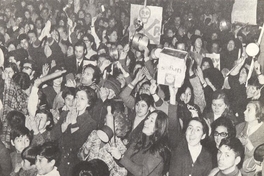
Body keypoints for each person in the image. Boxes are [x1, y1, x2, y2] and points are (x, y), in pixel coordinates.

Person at [50, 86, 97, 176]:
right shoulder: (64, 114)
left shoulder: (91, 123)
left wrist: (73, 124)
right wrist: (63, 126)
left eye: (82, 99)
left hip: (72, 167)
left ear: (89, 103)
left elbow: (76, 146)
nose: (77, 101)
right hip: (57, 160)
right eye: (76, 97)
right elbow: (52, 136)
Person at [110, 110, 171, 176]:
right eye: (147, 118)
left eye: (151, 121)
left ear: (158, 127)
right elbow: (124, 161)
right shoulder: (139, 140)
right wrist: (115, 152)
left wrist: (120, 157)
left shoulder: (159, 148)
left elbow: (142, 173)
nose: (146, 121)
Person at [236, 101, 264, 176]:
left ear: (258, 114)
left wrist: (249, 146)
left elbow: (261, 160)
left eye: (249, 110)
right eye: (245, 109)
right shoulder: (239, 127)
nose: (244, 112)